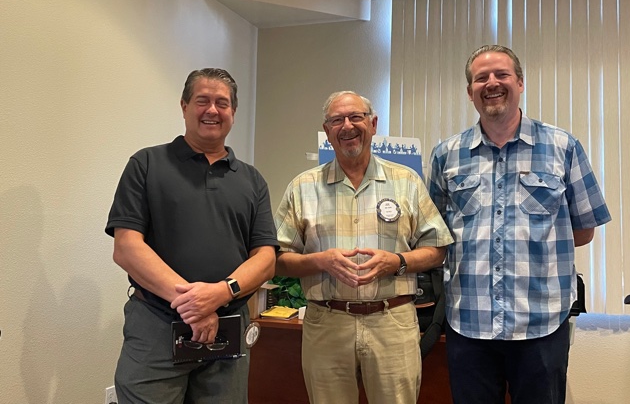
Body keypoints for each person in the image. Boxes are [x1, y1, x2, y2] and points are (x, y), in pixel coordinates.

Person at [427, 45, 612, 404]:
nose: (491, 83)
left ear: (520, 83)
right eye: (481, 78)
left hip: (542, 323)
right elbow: (436, 233)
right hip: (469, 323)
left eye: (502, 74)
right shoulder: (446, 155)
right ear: (469, 91)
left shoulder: (562, 147)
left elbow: (583, 230)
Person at [105, 68, 278, 404]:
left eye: (222, 103)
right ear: (184, 106)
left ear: (233, 112)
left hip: (228, 329)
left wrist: (219, 294)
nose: (212, 110)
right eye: (202, 101)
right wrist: (196, 306)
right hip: (156, 324)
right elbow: (126, 247)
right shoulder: (146, 164)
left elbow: (266, 259)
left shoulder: (253, 181)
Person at [274, 91, 453, 404]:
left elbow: (437, 248)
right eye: (337, 120)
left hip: (392, 322)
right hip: (327, 323)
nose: (347, 126)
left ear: (373, 124)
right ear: (327, 130)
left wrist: (397, 262)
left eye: (356, 117)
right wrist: (320, 261)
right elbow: (277, 259)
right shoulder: (302, 187)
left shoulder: (407, 181)